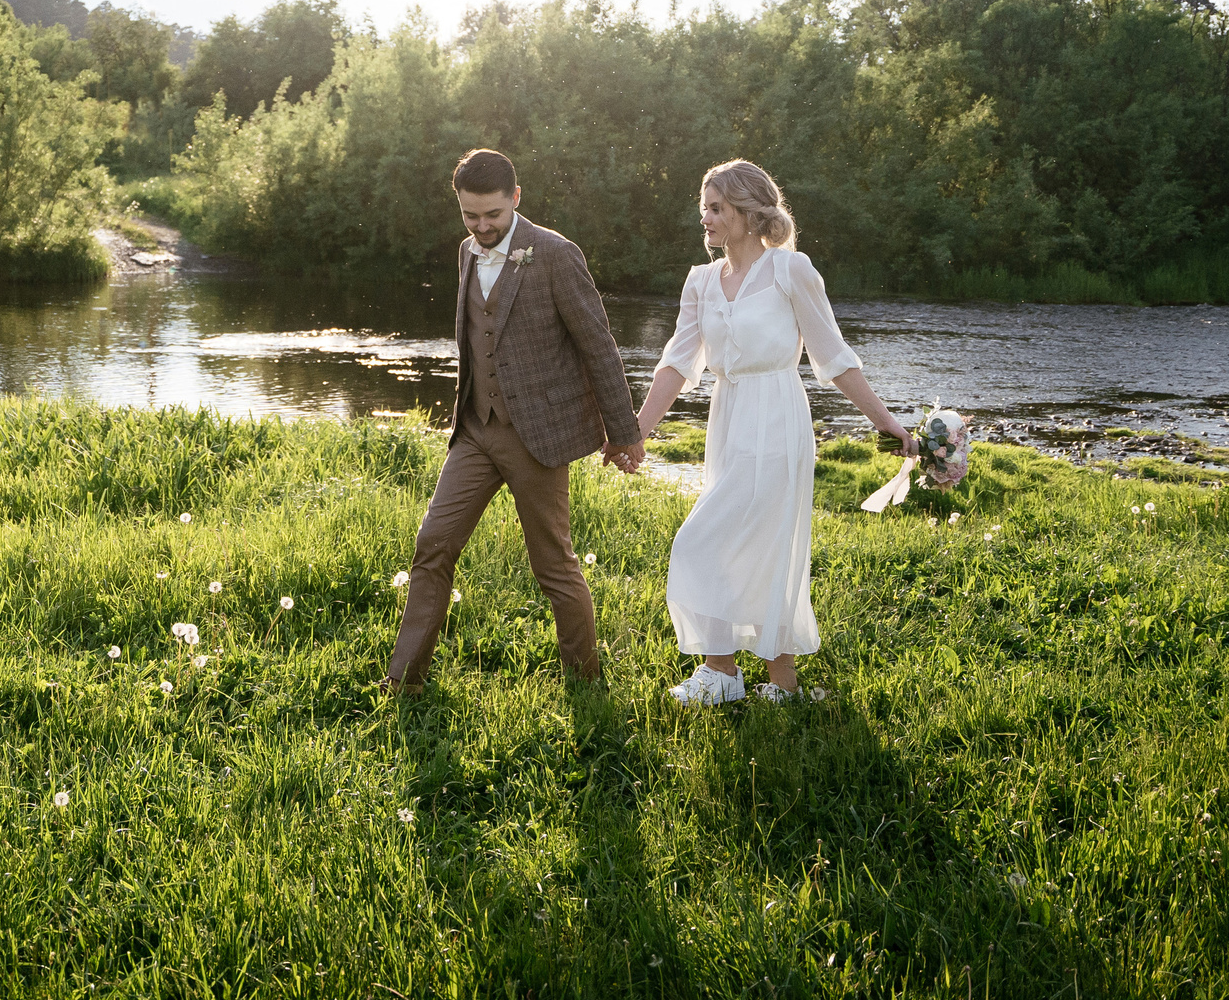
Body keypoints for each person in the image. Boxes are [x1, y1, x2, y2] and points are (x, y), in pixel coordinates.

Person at [628, 159, 912, 706]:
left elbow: (834, 356)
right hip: (728, 415)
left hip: (778, 414)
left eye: (717, 209)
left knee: (747, 541)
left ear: (748, 213)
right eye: (704, 208)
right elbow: (677, 362)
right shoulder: (701, 281)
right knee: (728, 540)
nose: (706, 219)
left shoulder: (791, 271)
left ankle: (758, 678)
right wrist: (636, 432)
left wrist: (888, 423)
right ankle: (737, 676)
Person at [383, 148, 646, 695]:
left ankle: (584, 679)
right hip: (476, 431)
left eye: (493, 216)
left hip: (537, 438)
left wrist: (624, 435)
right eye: (470, 216)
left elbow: (598, 346)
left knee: (553, 565)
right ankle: (404, 680)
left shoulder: (554, 253)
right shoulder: (465, 252)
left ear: (516, 199)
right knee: (432, 543)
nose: (481, 227)